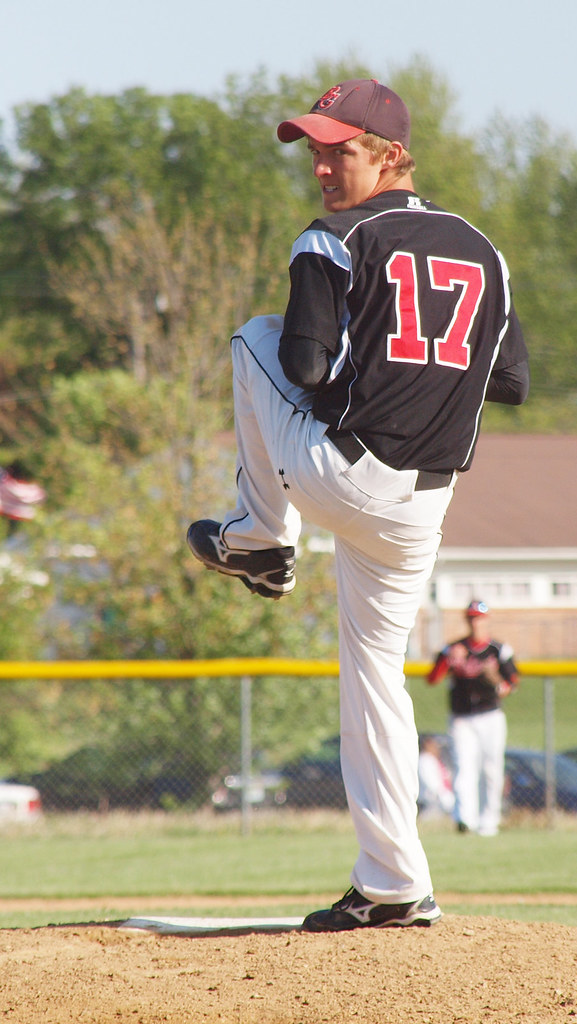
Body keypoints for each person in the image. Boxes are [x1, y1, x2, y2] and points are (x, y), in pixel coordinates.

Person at [187, 79, 529, 930]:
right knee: (373, 675)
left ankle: (261, 535)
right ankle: (391, 884)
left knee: (252, 337)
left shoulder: (334, 237)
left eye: (340, 148)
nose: (321, 165)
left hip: (341, 469)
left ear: (391, 154)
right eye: (314, 148)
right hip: (424, 502)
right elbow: (513, 380)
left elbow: (301, 366)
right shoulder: (484, 250)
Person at [426, 600, 520, 836]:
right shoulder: (454, 648)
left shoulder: (498, 649)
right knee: (463, 767)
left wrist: (496, 680)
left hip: (490, 715)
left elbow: (513, 683)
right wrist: (449, 660)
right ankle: (464, 820)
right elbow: (433, 678)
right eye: (471, 617)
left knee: (491, 768)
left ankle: (489, 821)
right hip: (462, 717)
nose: (475, 622)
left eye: (478, 617)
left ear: (486, 619)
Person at [418, 734, 455, 818]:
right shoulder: (425, 760)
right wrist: (449, 802)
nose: (437, 748)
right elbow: (434, 788)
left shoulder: (434, 760)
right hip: (430, 804)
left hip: (441, 802)